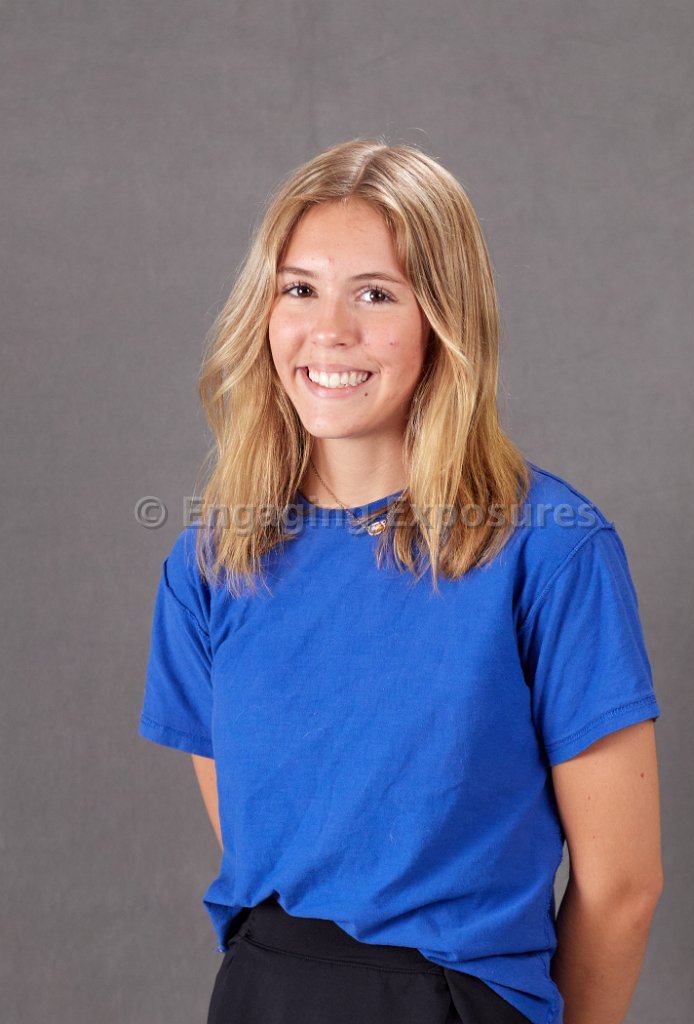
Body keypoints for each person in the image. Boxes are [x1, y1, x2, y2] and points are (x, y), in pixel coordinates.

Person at [138, 138, 663, 1024]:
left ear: (443, 320)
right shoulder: (212, 561)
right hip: (266, 995)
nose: (328, 331)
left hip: (453, 1002)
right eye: (298, 289)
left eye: (375, 294)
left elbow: (622, 887)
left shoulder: (549, 549)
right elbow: (277, 847)